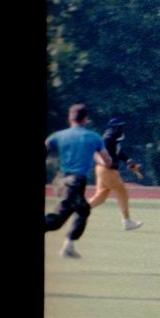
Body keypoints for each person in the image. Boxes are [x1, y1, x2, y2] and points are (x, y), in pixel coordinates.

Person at [45, 103, 112, 258]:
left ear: (70, 118)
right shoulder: (94, 137)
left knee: (82, 209)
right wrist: (99, 160)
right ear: (85, 119)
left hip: (60, 180)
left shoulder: (59, 135)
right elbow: (106, 160)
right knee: (56, 222)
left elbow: (46, 146)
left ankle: (68, 246)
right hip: (75, 182)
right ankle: (68, 246)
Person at [86, 117, 144, 231]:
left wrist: (129, 161)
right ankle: (127, 221)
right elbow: (98, 150)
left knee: (101, 197)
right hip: (108, 170)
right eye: (119, 127)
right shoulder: (109, 137)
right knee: (122, 192)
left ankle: (79, 210)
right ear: (114, 127)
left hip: (102, 170)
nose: (121, 129)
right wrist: (105, 161)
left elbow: (119, 152)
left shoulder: (114, 138)